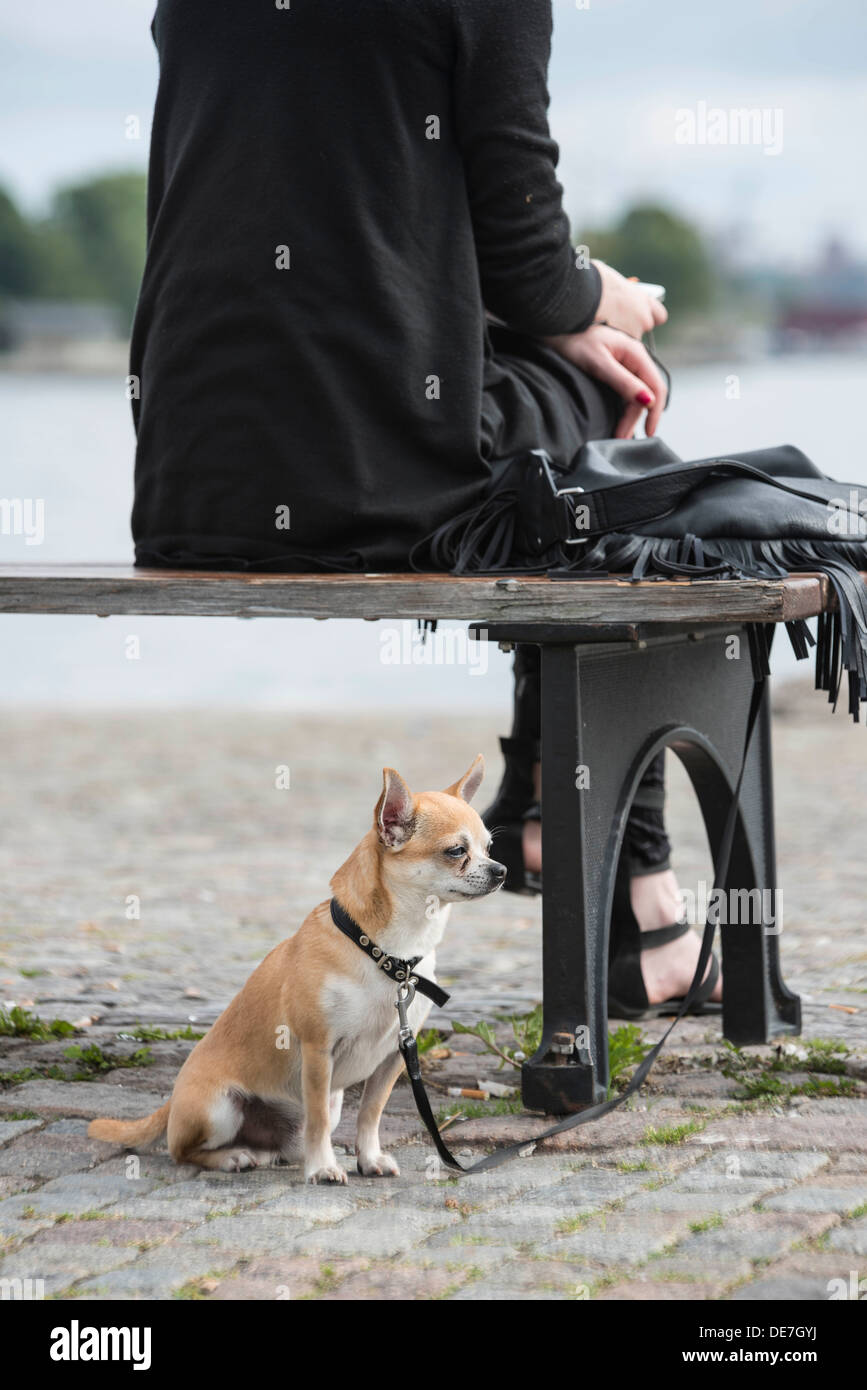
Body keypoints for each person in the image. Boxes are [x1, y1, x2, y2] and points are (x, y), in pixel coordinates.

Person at [130, 0, 720, 1015]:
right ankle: (632, 884)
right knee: (628, 401)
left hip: (192, 478)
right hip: (378, 475)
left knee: (569, 429)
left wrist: (553, 316)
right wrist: (602, 303)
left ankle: (544, 799)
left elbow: (346, 239)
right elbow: (531, 261)